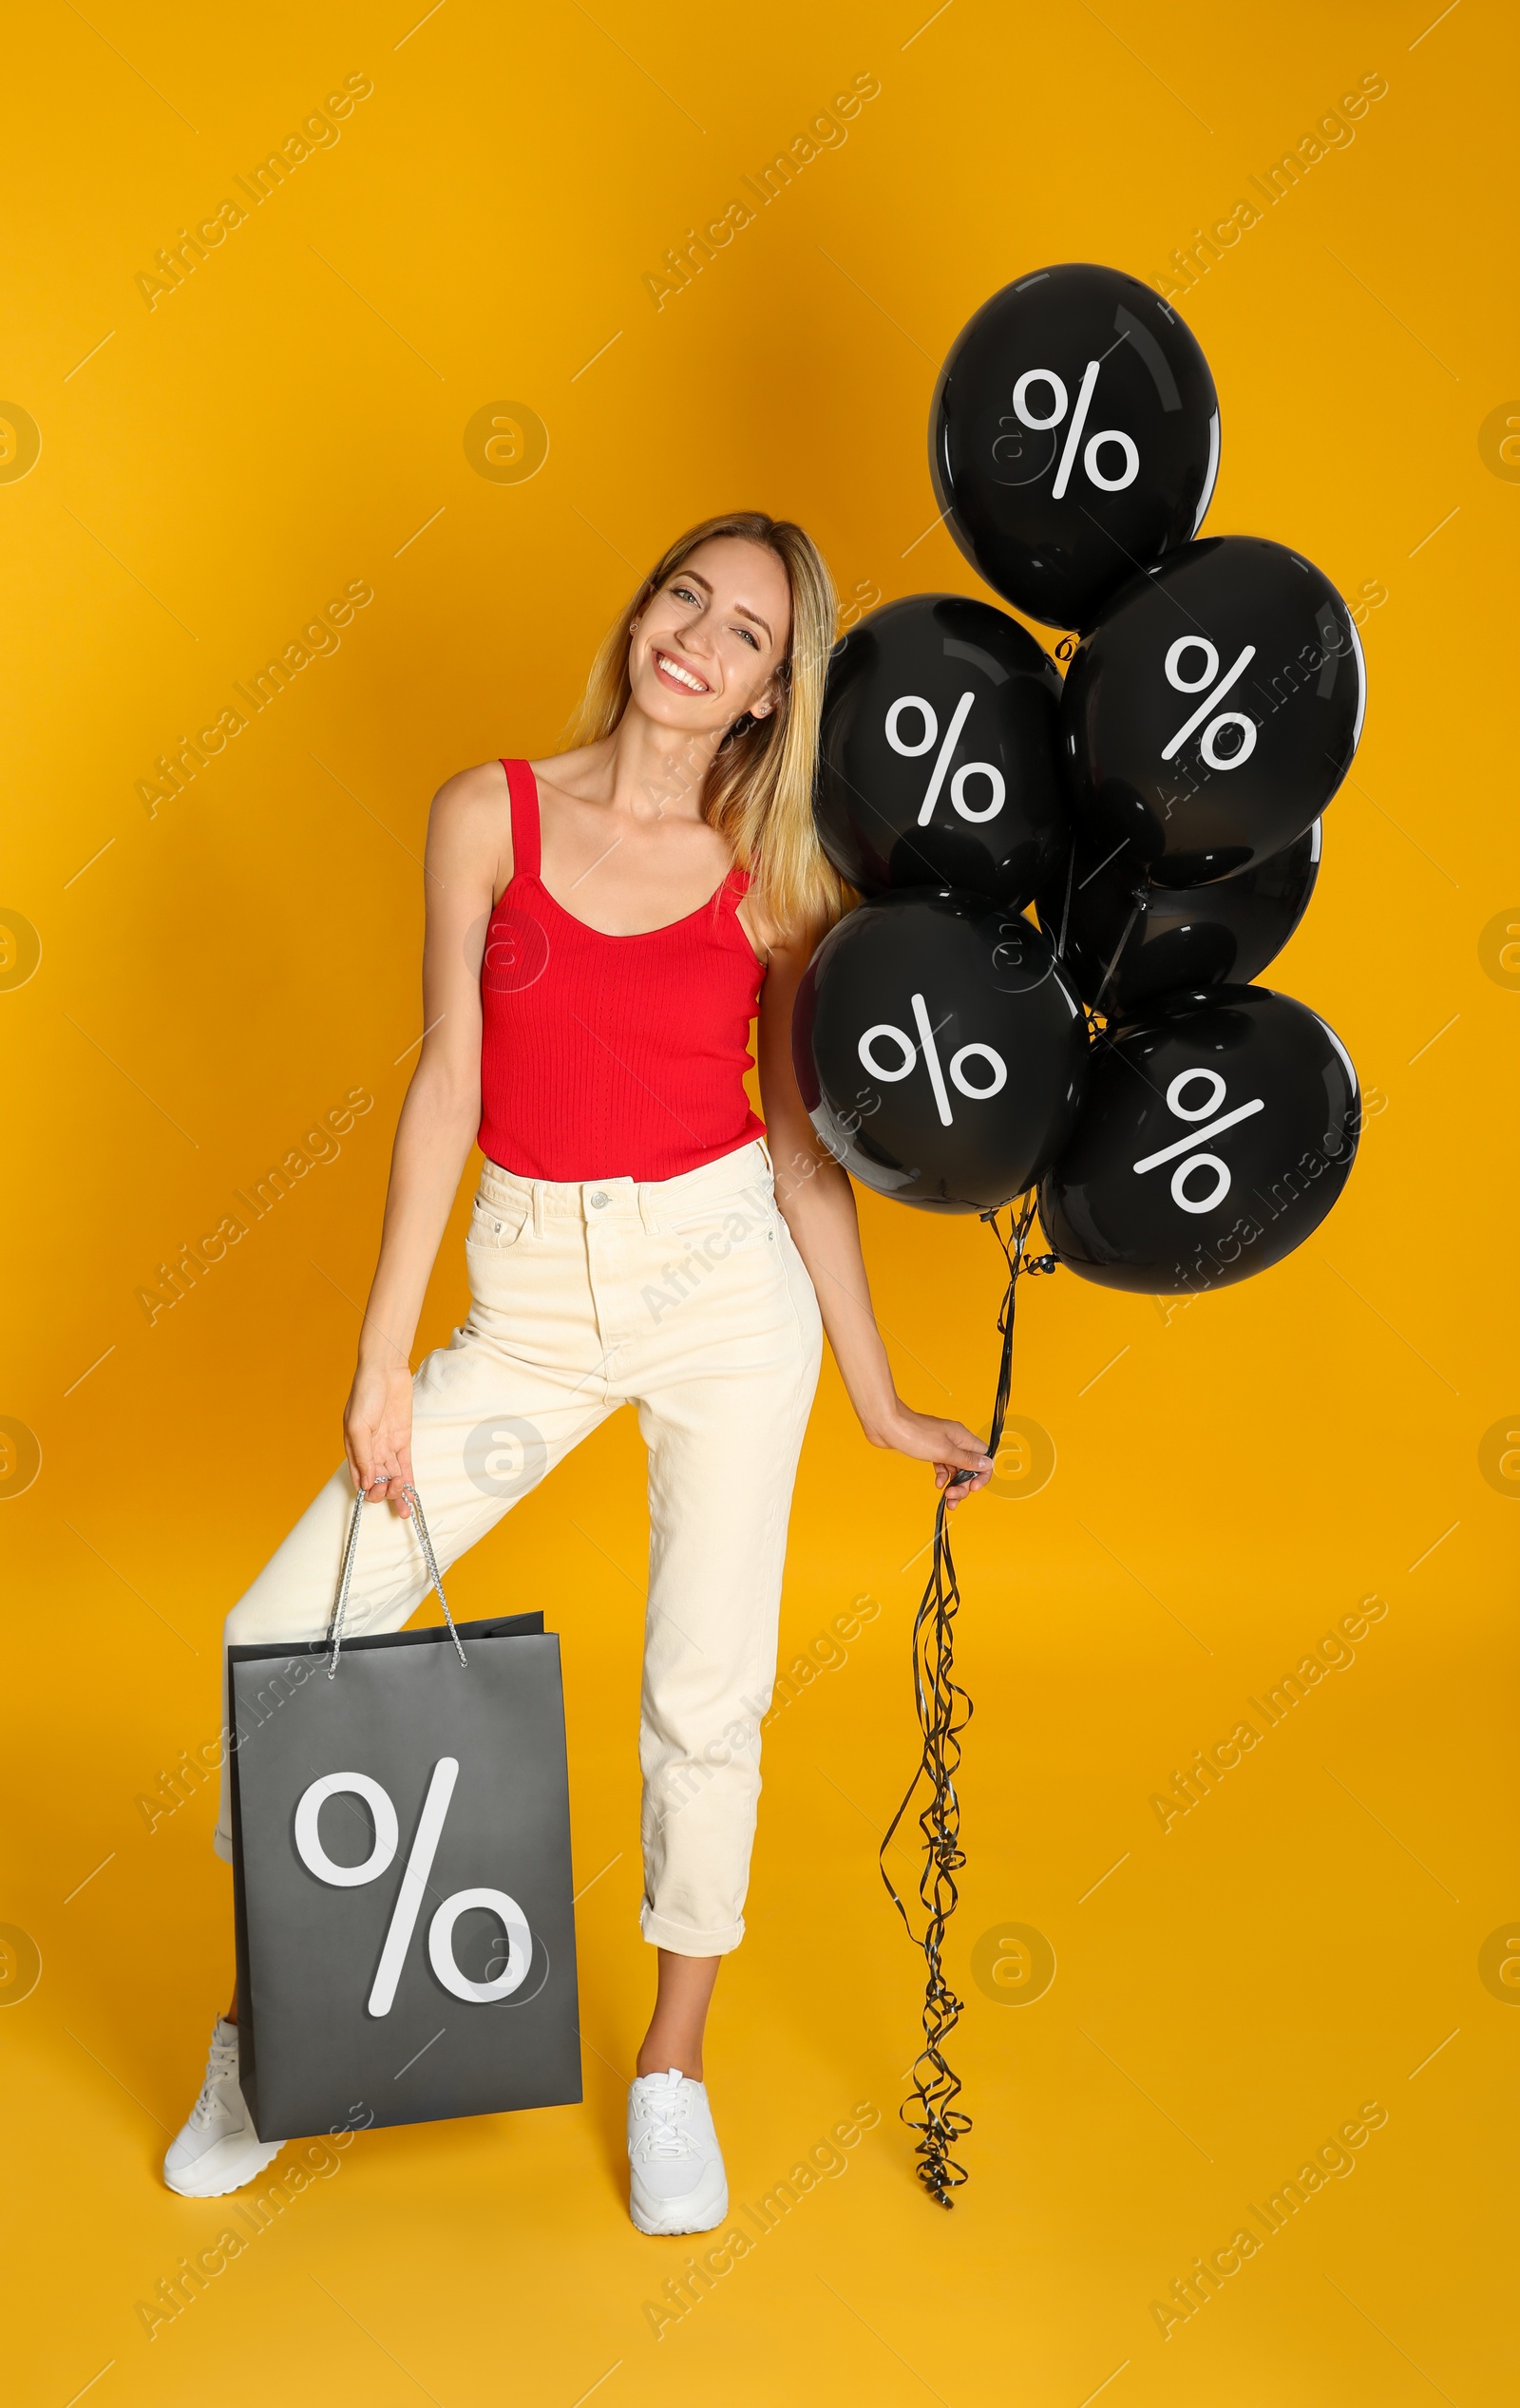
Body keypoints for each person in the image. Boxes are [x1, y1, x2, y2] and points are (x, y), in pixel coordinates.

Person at [162, 510, 994, 2229]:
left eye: (748, 634)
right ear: (642, 611)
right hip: (529, 1293)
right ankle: (273, 2034)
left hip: (718, 1288)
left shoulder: (774, 876)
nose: (700, 636)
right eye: (686, 596)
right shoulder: (490, 815)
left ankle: (675, 2068)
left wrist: (874, 1391)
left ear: (775, 694)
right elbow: (447, 1088)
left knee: (707, 1696)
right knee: (279, 1642)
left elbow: (800, 1150)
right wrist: (382, 1361)